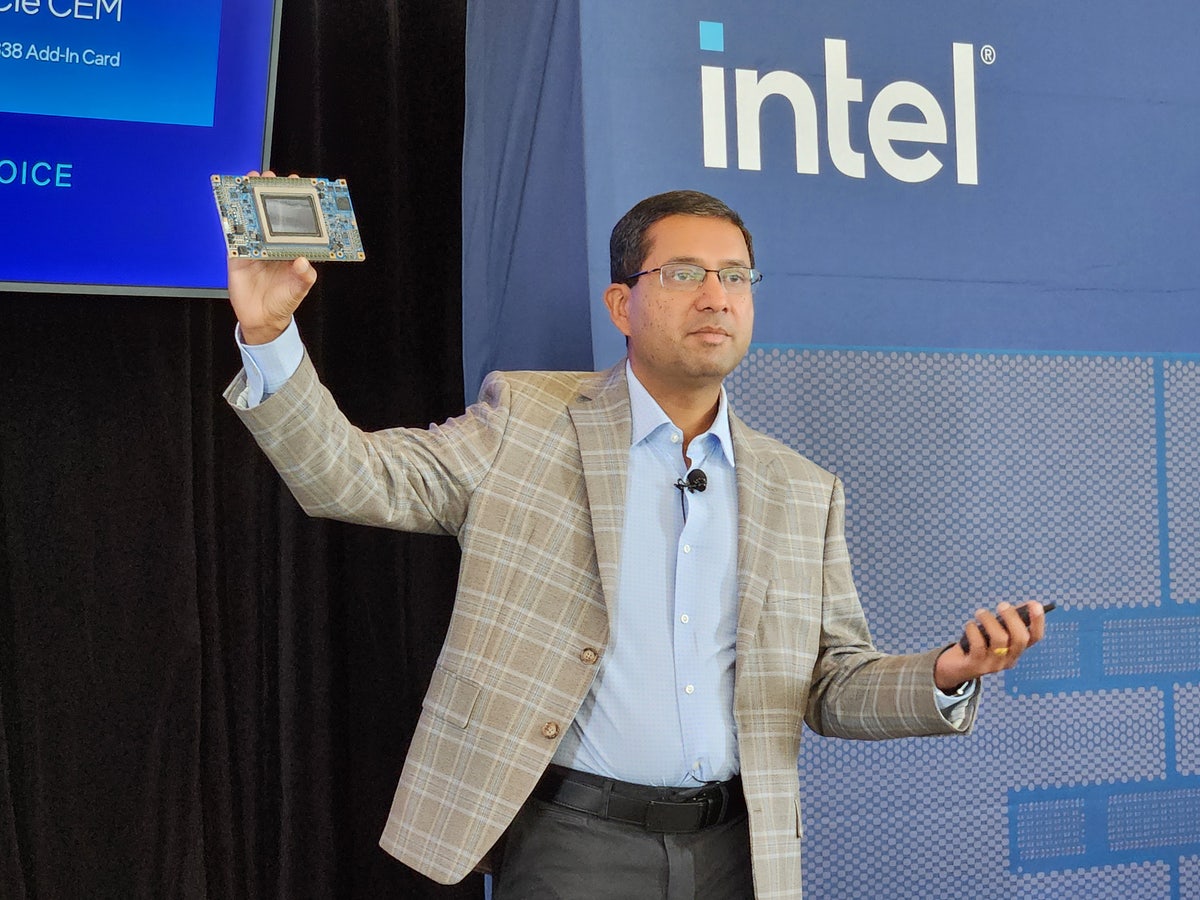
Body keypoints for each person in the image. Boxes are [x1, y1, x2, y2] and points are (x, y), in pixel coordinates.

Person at [223, 182, 1047, 899]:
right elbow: (352, 478)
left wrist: (947, 672)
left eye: (735, 276)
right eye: (683, 274)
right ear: (622, 304)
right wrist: (270, 335)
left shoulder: (804, 489)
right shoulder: (527, 421)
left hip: (737, 852)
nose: (715, 296)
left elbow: (832, 684)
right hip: (574, 843)